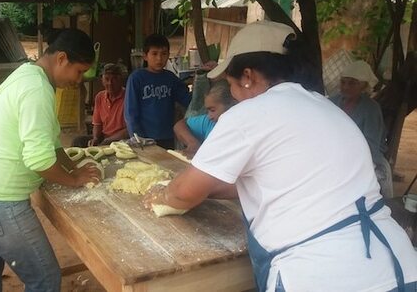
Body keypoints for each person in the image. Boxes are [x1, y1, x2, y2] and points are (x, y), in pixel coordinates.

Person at [143, 21, 417, 292]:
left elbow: (183, 194)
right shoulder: (325, 107)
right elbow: (277, 184)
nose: (234, 96)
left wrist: (163, 194)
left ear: (247, 76)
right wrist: (207, 191)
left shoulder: (248, 114)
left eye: (232, 84)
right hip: (399, 266)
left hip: (321, 276)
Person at [0, 28, 101, 292]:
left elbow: (47, 138)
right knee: (45, 280)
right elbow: (38, 160)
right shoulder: (37, 89)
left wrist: (73, 166)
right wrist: (73, 179)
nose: (79, 80)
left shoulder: (27, 72)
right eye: (79, 71)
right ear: (61, 59)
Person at [330, 60, 393, 198]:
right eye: (343, 82)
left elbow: (370, 146)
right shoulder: (333, 102)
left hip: (363, 157)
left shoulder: (371, 109)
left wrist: (345, 155)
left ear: (364, 86)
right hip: (334, 152)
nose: (345, 87)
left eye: (352, 83)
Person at [124, 34, 192, 149]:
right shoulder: (136, 78)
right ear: (145, 56)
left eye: (164, 54)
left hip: (167, 137)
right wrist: (137, 138)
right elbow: (130, 113)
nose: (159, 59)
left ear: (168, 55)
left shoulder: (171, 78)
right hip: (144, 139)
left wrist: (203, 79)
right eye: (154, 54)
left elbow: (188, 101)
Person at [173, 79, 236, 157]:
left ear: (231, 105)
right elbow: (179, 125)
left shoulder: (239, 131)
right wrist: (193, 143)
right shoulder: (209, 123)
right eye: (208, 111)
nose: (209, 116)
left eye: (212, 110)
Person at [71, 63, 129, 147]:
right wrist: (95, 138)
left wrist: (109, 140)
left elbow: (129, 130)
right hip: (104, 137)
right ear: (102, 80)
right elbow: (97, 124)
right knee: (77, 141)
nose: (110, 83)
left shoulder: (128, 96)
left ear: (121, 80)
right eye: (106, 79)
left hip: (122, 140)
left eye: (114, 79)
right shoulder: (100, 97)